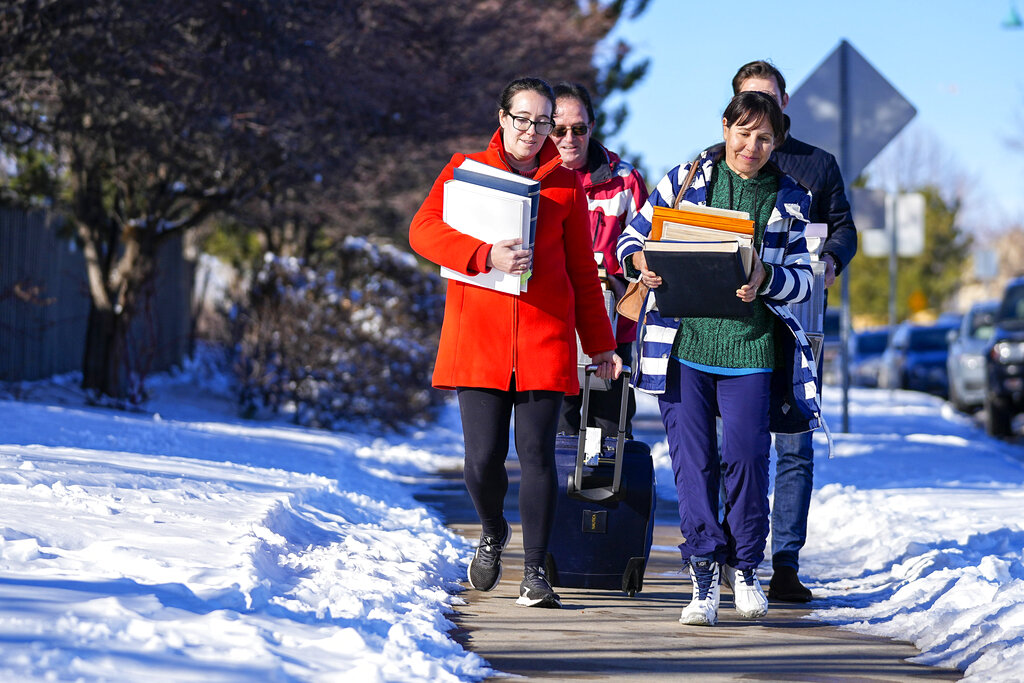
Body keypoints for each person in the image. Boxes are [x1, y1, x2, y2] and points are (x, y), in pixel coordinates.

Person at [409, 77, 622, 610]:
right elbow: (422, 232)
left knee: (538, 457)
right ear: (503, 118)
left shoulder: (567, 184)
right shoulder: (464, 171)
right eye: (522, 118)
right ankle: (490, 528)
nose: (532, 130)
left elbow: (580, 268)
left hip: (544, 336)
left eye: (542, 121)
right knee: (481, 461)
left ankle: (534, 573)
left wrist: (600, 344)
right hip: (477, 337)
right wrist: (484, 255)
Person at [616, 91, 822, 627]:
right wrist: (643, 261)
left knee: (748, 459)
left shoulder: (792, 196)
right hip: (682, 346)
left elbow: (804, 277)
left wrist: (766, 279)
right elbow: (630, 239)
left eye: (764, 137)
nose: (751, 145)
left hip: (752, 348)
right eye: (743, 132)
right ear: (725, 127)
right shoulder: (686, 179)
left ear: (777, 141)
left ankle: (746, 565)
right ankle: (704, 572)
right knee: (693, 463)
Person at [733, 60, 858, 603]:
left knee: (794, 446)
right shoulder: (721, 163)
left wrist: (830, 259)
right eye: (746, 100)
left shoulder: (816, 165)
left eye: (767, 99)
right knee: (735, 445)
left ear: (784, 105)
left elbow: (844, 227)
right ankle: (735, 557)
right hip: (735, 325)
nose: (756, 121)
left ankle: (785, 562)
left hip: (800, 321)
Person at [550, 82, 649, 440]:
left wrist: (629, 274)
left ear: (592, 126)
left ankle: (605, 494)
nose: (569, 138)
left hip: (612, 329)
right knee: (557, 436)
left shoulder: (625, 180)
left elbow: (648, 248)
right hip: (553, 329)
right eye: (559, 130)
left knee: (609, 438)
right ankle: (559, 497)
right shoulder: (534, 180)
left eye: (578, 129)